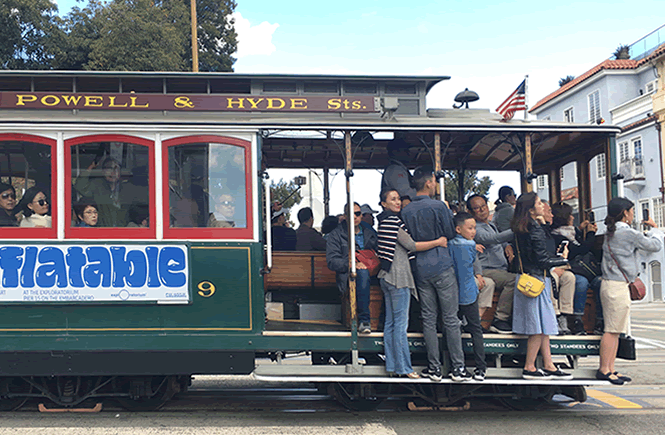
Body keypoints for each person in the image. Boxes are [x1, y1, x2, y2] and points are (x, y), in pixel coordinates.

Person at [402, 166, 471, 382]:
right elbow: (450, 234)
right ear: (430, 182)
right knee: (450, 318)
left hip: (420, 268)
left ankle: (434, 368)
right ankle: (458, 368)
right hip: (441, 264)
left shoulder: (407, 210)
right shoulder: (439, 206)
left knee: (428, 319)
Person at [376, 189, 448, 379]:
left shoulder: (383, 222)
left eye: (398, 198)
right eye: (393, 199)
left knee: (391, 324)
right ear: (384, 204)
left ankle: (393, 364)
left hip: (386, 276)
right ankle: (405, 368)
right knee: (400, 325)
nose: (398, 202)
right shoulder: (394, 221)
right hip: (399, 277)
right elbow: (412, 246)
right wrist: (438, 241)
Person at [597, 197, 661, 385]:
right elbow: (654, 246)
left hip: (612, 285)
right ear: (625, 213)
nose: (633, 214)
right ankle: (604, 369)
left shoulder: (611, 232)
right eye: (632, 211)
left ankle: (610, 368)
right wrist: (655, 229)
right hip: (616, 287)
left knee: (616, 330)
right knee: (611, 330)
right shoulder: (628, 233)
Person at [511, 192, 572, 380]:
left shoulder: (520, 228)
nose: (543, 206)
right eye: (539, 203)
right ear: (531, 209)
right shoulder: (534, 229)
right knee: (538, 327)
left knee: (543, 325)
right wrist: (562, 260)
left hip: (526, 279)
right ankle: (529, 366)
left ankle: (549, 364)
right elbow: (542, 259)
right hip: (537, 281)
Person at [467, 194, 515, 334]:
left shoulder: (491, 224)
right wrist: (516, 229)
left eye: (484, 206)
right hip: (486, 269)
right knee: (513, 280)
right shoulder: (474, 229)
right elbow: (491, 239)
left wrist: (507, 245)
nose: (482, 210)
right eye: (477, 208)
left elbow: (499, 238)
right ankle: (500, 319)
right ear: (470, 211)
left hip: (500, 269)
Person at [326, 202, 378, 334]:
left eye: (358, 213)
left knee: (390, 279)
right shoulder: (336, 235)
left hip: (374, 271)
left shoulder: (369, 232)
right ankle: (364, 321)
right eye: (351, 214)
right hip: (348, 276)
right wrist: (351, 265)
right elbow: (332, 261)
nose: (355, 216)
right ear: (345, 216)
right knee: (362, 273)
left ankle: (385, 321)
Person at [449, 212, 488, 381]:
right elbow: (472, 263)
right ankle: (481, 368)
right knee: (476, 330)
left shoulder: (450, 245)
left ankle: (456, 366)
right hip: (470, 293)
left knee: (452, 329)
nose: (473, 231)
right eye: (470, 228)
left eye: (474, 228)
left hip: (453, 294)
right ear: (458, 229)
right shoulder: (471, 246)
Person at [550, 202, 599, 335]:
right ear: (564, 217)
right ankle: (575, 319)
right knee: (580, 282)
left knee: (581, 280)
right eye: (570, 215)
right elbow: (579, 250)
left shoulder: (569, 232)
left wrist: (579, 229)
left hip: (572, 269)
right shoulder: (557, 236)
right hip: (567, 268)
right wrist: (590, 234)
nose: (572, 217)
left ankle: (569, 316)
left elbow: (574, 243)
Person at [541, 200, 576, 335]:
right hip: (544, 269)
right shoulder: (535, 230)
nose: (552, 215)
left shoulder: (549, 231)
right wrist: (552, 267)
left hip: (554, 265)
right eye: (549, 212)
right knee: (552, 277)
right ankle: (554, 315)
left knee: (569, 277)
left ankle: (564, 316)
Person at [74, 157, 137, 227]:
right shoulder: (97, 185)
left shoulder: (127, 189)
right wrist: (91, 167)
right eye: (109, 169)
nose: (113, 172)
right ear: (103, 171)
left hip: (123, 233)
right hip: (103, 232)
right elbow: (79, 186)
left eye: (116, 168)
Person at [381, 138, 418, 207]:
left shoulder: (398, 168)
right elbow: (406, 194)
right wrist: (422, 191)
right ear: (396, 152)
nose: (408, 153)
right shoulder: (395, 169)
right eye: (405, 150)